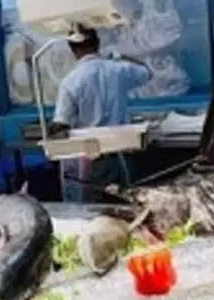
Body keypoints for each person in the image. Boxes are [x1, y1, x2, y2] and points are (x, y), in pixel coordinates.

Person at [51, 26, 151, 202]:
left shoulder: (70, 82)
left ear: (72, 49)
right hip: (125, 156)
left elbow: (61, 124)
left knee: (101, 210)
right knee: (130, 206)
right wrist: (120, 56)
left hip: (96, 159)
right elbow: (147, 72)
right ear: (97, 44)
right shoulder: (118, 69)